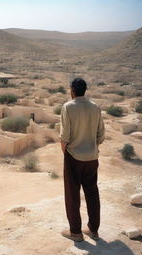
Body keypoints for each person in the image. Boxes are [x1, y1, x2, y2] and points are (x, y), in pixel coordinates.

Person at [60, 77, 105, 242]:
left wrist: (67, 154)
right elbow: (101, 135)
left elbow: (64, 137)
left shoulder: (68, 107)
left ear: (72, 90)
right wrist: (91, 148)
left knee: (72, 194)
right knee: (92, 192)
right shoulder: (95, 107)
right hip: (92, 157)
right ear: (85, 90)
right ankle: (93, 230)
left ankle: (76, 232)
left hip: (73, 157)